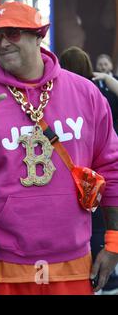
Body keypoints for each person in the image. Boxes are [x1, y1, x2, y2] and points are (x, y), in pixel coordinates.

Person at [0, 1, 118, 295]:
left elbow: (112, 168)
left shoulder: (85, 93)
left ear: (38, 34)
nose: (3, 44)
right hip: (4, 268)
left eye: (13, 33)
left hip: (73, 263)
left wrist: (114, 242)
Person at [60, 46, 118, 295]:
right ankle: (104, 279)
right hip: (98, 177)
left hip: (68, 181)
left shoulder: (56, 98)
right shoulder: (97, 94)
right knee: (99, 226)